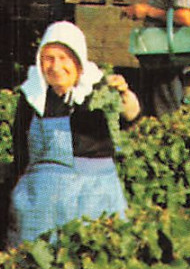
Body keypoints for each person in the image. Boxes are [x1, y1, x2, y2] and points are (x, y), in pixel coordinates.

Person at [8, 21, 141, 246]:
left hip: (94, 196)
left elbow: (132, 114)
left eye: (64, 58)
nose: (55, 66)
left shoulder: (98, 90)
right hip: (43, 201)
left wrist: (124, 93)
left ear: (79, 62)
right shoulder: (32, 96)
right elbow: (20, 149)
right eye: (48, 58)